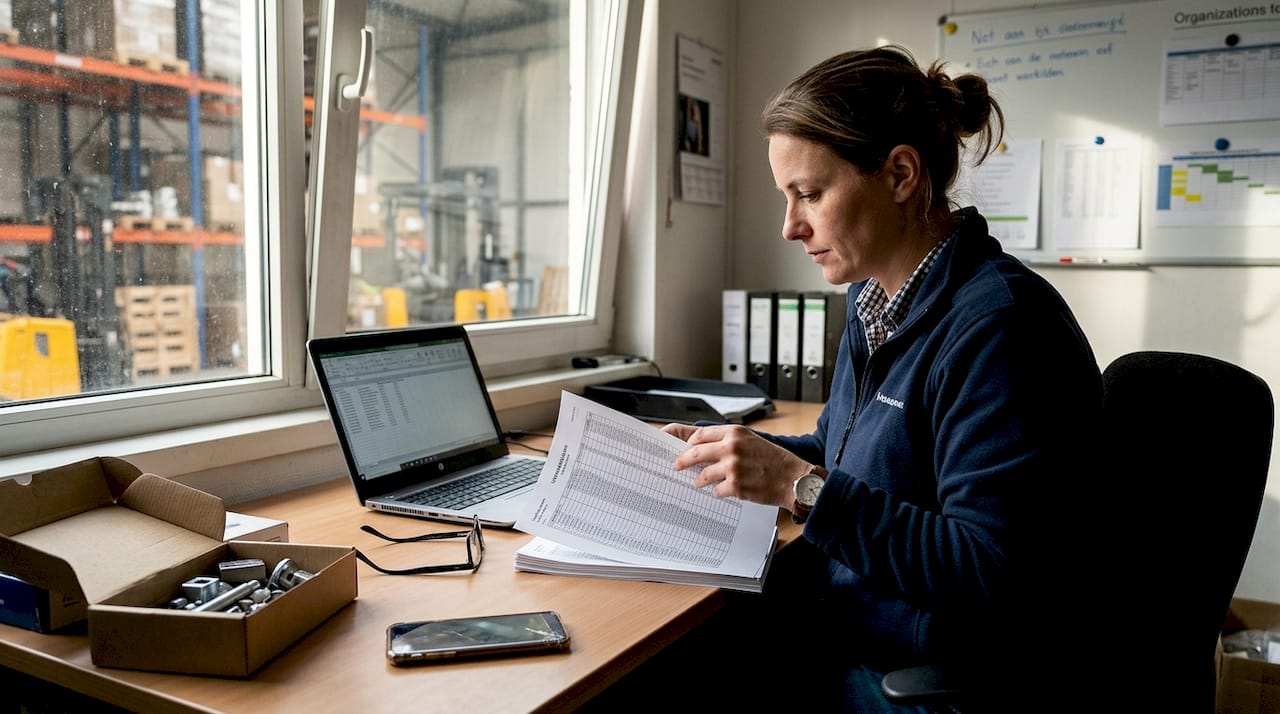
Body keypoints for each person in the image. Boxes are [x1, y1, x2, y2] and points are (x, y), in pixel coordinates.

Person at [663, 45, 1108, 712]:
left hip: (932, 678)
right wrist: (728, 453)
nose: (790, 227)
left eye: (809, 194)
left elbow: (988, 570)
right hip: (855, 630)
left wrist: (792, 484)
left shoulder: (1002, 329)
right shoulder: (876, 301)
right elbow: (848, 459)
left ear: (900, 174)